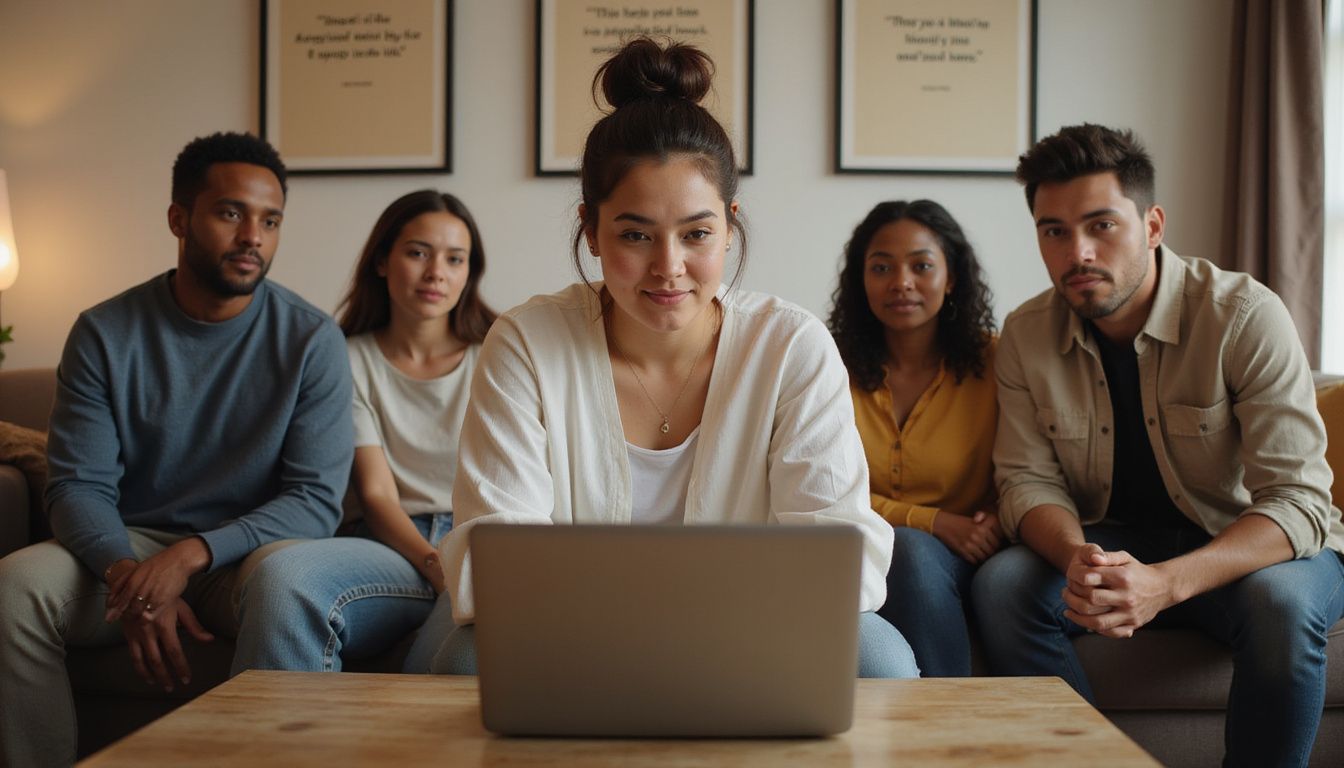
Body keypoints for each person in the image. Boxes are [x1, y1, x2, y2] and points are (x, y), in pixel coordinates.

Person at [416, 37, 917, 679]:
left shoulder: (792, 346)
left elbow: (845, 555)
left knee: (879, 659)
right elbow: (493, 563)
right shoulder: (526, 342)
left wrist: (699, 617)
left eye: (697, 233)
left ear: (730, 227)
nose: (668, 268)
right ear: (590, 230)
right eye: (634, 234)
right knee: (466, 661)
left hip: (749, 625)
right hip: (568, 631)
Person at [971, 123, 1344, 768]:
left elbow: (1299, 501)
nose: (1077, 251)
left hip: (1245, 551)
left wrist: (1165, 585)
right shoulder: (1026, 334)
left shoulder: (1244, 315)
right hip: (1113, 540)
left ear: (1151, 225)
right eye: (1053, 231)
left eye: (1101, 225)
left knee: (1280, 607)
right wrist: (1079, 557)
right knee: (1004, 587)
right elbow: (1026, 484)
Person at [0, 132, 353, 767]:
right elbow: (76, 485)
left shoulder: (312, 339)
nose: (253, 236)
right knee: (13, 588)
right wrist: (126, 576)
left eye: (270, 221)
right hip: (128, 545)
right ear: (178, 219)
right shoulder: (104, 332)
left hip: (246, 554)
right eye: (230, 213)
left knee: (287, 582)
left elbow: (314, 502)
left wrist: (191, 557)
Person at [230, 190, 496, 674]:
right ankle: (275, 750)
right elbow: (376, 496)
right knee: (284, 576)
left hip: (481, 542)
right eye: (417, 252)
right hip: (390, 545)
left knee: (452, 662)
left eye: (455, 259)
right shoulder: (344, 358)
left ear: (468, 273)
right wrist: (438, 567)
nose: (436, 272)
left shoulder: (500, 354)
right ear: (381, 261)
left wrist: (465, 568)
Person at [827, 200, 999, 676]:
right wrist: (935, 521)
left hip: (971, 557)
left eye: (921, 265)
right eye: (881, 267)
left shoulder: (997, 363)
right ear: (861, 280)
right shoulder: (827, 363)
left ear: (953, 276)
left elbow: (1029, 463)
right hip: (859, 555)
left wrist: (997, 522)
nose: (900, 282)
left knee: (916, 553)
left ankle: (944, 729)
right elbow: (830, 486)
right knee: (911, 545)